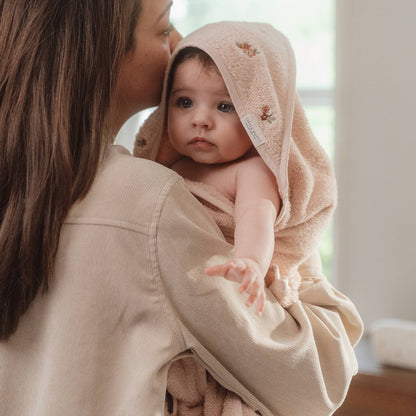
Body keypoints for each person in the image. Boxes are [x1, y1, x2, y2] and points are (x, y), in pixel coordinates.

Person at [0, 1, 363, 415]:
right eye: (162, 29)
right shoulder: (151, 203)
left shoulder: (23, 183)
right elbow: (313, 380)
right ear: (105, 50)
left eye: (225, 105)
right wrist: (296, 253)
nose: (178, 43)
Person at [134, 21, 362, 415]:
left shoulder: (252, 170)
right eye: (184, 102)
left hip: (235, 302)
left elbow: (256, 214)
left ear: (263, 117)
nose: (200, 119)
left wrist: (250, 262)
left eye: (224, 106)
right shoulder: (169, 169)